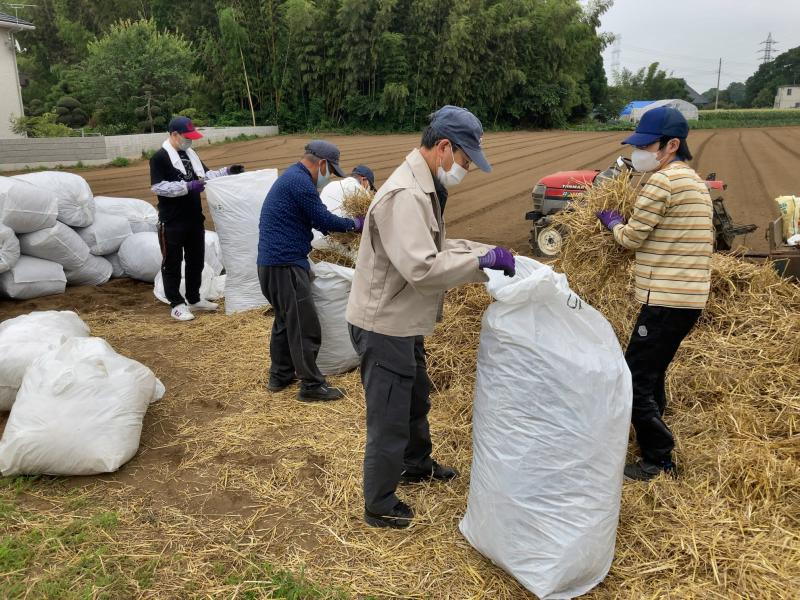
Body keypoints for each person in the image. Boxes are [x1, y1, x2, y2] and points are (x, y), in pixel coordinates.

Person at [346, 106, 516, 529]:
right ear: (443, 147)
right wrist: (482, 266)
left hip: (404, 320)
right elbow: (421, 268)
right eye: (464, 160)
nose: (466, 169)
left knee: (415, 396)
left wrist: (483, 251)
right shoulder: (405, 195)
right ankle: (379, 503)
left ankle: (416, 465)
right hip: (383, 323)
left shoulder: (424, 188)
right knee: (389, 415)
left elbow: (436, 243)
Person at [596, 106, 713, 481]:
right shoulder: (693, 181)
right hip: (688, 299)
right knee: (653, 370)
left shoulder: (662, 183)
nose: (639, 152)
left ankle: (658, 457)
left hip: (664, 299)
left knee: (635, 376)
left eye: (647, 145)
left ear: (672, 145)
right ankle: (650, 436)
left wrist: (613, 222)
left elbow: (631, 239)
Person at [257, 140, 364, 402]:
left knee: (285, 321)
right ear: (323, 164)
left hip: (271, 265)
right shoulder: (300, 182)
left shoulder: (291, 178)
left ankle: (280, 376)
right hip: (286, 265)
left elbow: (317, 222)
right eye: (330, 171)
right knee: (304, 325)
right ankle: (311, 386)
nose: (328, 179)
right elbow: (323, 219)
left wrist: (337, 231)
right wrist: (356, 224)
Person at [150, 116, 245, 322]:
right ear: (174, 135)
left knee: (196, 260)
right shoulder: (159, 158)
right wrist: (187, 187)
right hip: (172, 221)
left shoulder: (190, 155)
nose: (190, 141)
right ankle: (176, 303)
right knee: (172, 263)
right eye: (187, 137)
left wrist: (227, 171)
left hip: (193, 218)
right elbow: (158, 187)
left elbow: (206, 176)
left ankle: (194, 298)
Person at [312, 165, 377, 248]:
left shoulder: (330, 185)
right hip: (332, 242)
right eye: (370, 187)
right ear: (364, 179)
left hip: (313, 236)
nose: (369, 189)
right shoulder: (359, 190)